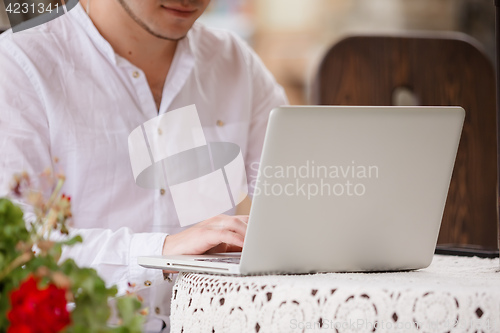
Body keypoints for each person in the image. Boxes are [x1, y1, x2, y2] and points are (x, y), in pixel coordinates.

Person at [0, 0, 287, 331]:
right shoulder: (19, 67)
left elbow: (297, 200)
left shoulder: (235, 63)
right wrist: (159, 253)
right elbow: (15, 249)